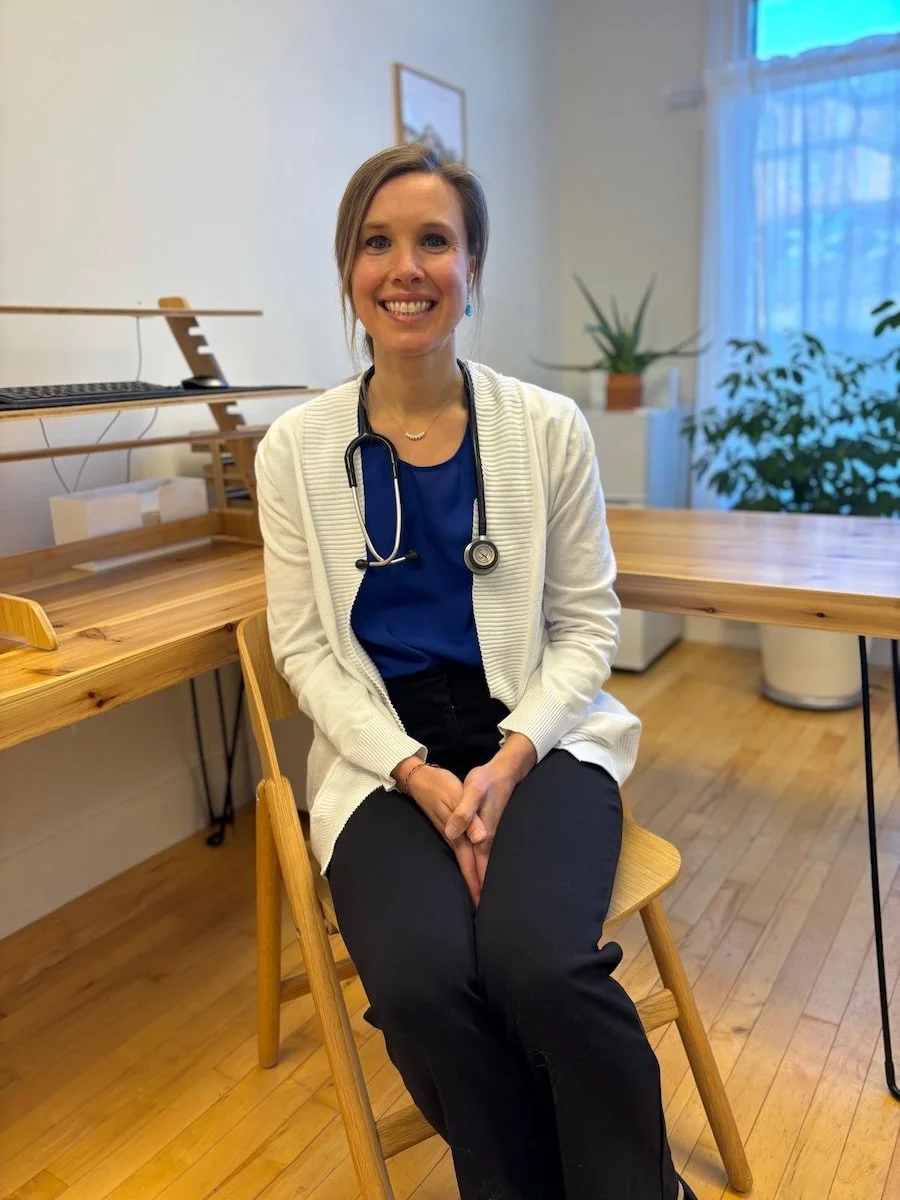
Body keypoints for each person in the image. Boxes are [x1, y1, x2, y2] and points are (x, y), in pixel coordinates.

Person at [255, 143, 696, 1200]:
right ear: (349, 272)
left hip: (536, 740)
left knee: (538, 964)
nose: (405, 267)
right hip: (381, 758)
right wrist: (416, 774)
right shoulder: (293, 449)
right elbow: (306, 651)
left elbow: (588, 626)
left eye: (434, 241)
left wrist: (502, 767)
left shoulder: (546, 430)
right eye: (378, 242)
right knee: (417, 983)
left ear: (474, 267)